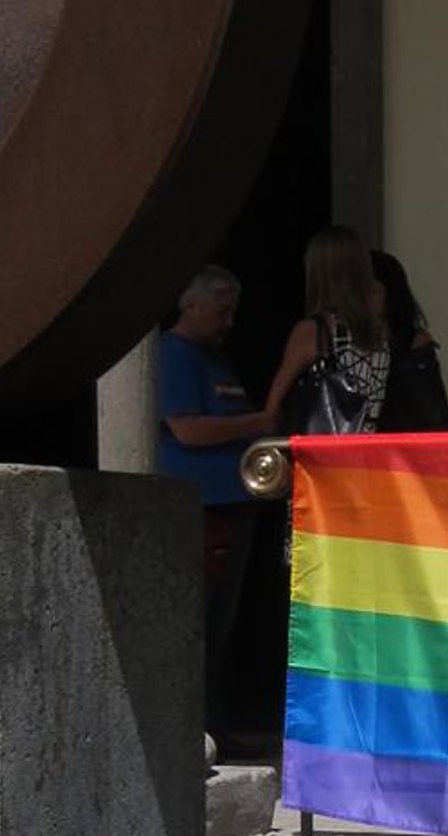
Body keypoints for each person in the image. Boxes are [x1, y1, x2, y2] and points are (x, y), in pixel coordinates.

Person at [158, 266, 270, 740]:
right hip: (200, 508)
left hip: (233, 503)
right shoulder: (173, 355)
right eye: (221, 312)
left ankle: (218, 725)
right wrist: (258, 422)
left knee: (223, 622)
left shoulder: (215, 359)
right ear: (191, 305)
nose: (229, 323)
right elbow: (187, 429)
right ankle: (196, 729)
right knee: (200, 619)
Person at [263, 225, 392, 437]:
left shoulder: (314, 331)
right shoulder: (379, 333)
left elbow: (272, 409)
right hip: (366, 444)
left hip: (322, 448)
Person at [372, 248, 448, 432]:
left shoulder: (412, 344)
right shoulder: (342, 343)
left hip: (403, 440)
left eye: (371, 291)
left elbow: (432, 412)